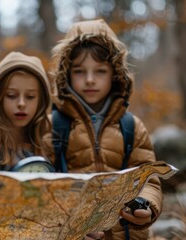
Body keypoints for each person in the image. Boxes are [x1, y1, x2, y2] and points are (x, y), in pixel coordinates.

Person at [49, 19, 162, 239]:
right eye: (80, 71)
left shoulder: (131, 126)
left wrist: (147, 207)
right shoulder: (52, 126)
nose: (90, 80)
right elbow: (41, 191)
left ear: (115, 74)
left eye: (100, 71)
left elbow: (150, 179)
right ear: (67, 75)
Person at [0, 51, 53, 171]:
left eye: (30, 96)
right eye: (12, 95)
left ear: (41, 101)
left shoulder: (50, 141)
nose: (21, 104)